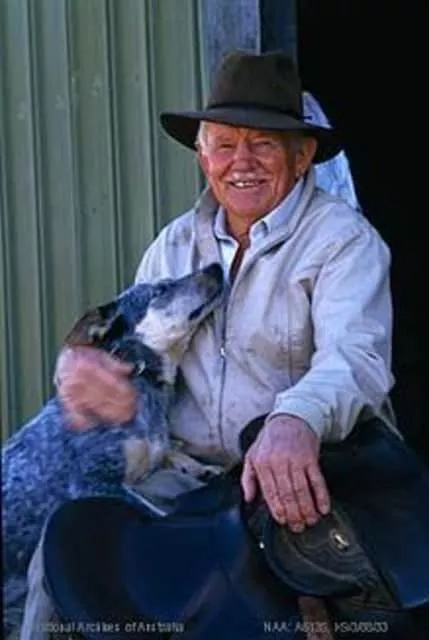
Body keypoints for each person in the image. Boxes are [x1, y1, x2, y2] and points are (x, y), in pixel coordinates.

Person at [20, 49, 397, 638]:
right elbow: (124, 341)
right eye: (223, 144)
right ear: (202, 156)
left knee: (314, 606)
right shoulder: (173, 247)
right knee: (64, 554)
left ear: (302, 157)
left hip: (304, 469)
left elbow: (357, 357)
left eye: (263, 144)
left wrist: (296, 418)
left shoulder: (344, 242)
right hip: (188, 473)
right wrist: (79, 364)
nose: (240, 162)